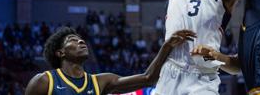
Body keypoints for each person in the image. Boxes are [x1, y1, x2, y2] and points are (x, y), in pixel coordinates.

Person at [25, 26, 195, 95]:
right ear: (60, 53)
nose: (81, 41)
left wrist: (167, 46)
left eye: (81, 39)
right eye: (72, 40)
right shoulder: (44, 81)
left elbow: (148, 78)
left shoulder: (100, 82)